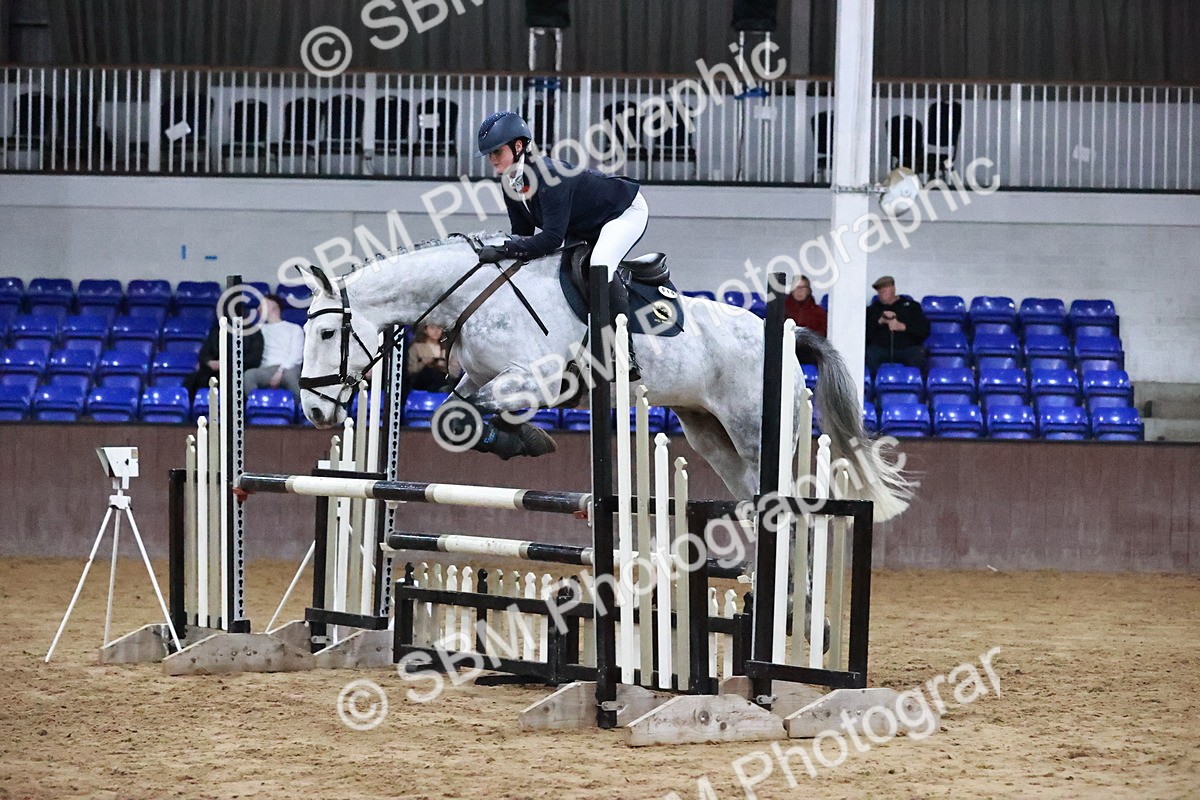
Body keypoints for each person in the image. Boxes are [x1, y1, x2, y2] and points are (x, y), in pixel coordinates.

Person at [474, 110, 648, 379]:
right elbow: (522, 232)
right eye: (490, 155)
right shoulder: (511, 182)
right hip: (584, 225)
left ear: (518, 146)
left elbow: (552, 238)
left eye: (497, 152)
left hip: (623, 212)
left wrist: (504, 250)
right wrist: (500, 251)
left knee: (599, 265)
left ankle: (624, 353)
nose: (492, 159)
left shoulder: (548, 177)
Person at [183, 313, 264, 400]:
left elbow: (255, 359)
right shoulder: (217, 331)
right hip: (216, 372)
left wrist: (227, 363)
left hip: (239, 371)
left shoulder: (254, 333)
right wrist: (209, 362)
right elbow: (204, 354)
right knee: (193, 380)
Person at [865, 275, 930, 374]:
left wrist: (902, 327)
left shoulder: (911, 306)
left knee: (917, 355)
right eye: (879, 291)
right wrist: (879, 322)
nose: (881, 293)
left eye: (884, 290)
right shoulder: (873, 309)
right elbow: (865, 336)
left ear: (893, 289)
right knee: (869, 355)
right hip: (880, 348)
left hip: (906, 348)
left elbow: (923, 330)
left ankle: (911, 385)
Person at [244, 294, 304, 397]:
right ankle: (256, 407)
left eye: (262, 305)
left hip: (289, 367)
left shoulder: (294, 328)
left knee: (290, 376)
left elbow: (296, 356)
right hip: (267, 369)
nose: (258, 309)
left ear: (273, 305)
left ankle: (304, 410)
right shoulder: (258, 330)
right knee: (249, 375)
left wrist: (280, 371)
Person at [785, 275, 828, 366]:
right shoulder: (783, 310)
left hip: (809, 350)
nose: (799, 291)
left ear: (808, 290)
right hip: (787, 347)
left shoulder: (818, 312)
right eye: (796, 287)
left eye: (802, 287)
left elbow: (821, 335)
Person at [406, 323, 453, 392]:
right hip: (421, 381)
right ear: (425, 330)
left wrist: (443, 366)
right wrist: (424, 362)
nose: (436, 331)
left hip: (444, 379)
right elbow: (411, 370)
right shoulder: (416, 347)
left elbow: (455, 372)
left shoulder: (447, 348)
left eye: (439, 328)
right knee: (430, 372)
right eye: (432, 328)